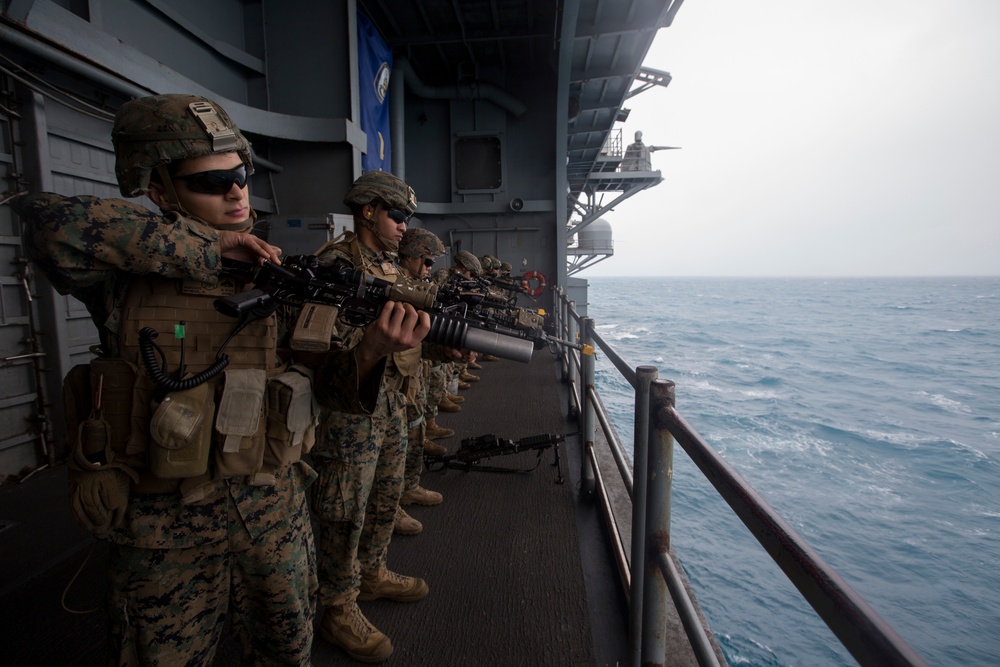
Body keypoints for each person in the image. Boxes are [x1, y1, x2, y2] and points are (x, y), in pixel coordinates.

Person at [12, 93, 426, 666]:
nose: (236, 192)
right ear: (160, 191)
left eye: (240, 176)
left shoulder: (277, 277)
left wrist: (374, 350)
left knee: (286, 649)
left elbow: (328, 389)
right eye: (211, 182)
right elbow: (47, 224)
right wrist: (207, 249)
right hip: (163, 529)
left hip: (271, 511)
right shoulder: (124, 276)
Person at [309, 171, 434, 663]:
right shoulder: (334, 267)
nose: (404, 227)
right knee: (345, 510)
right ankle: (338, 606)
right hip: (348, 413)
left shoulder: (389, 268)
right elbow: (319, 353)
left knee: (383, 497)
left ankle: (373, 572)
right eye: (397, 215)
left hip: (390, 405)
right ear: (368, 212)